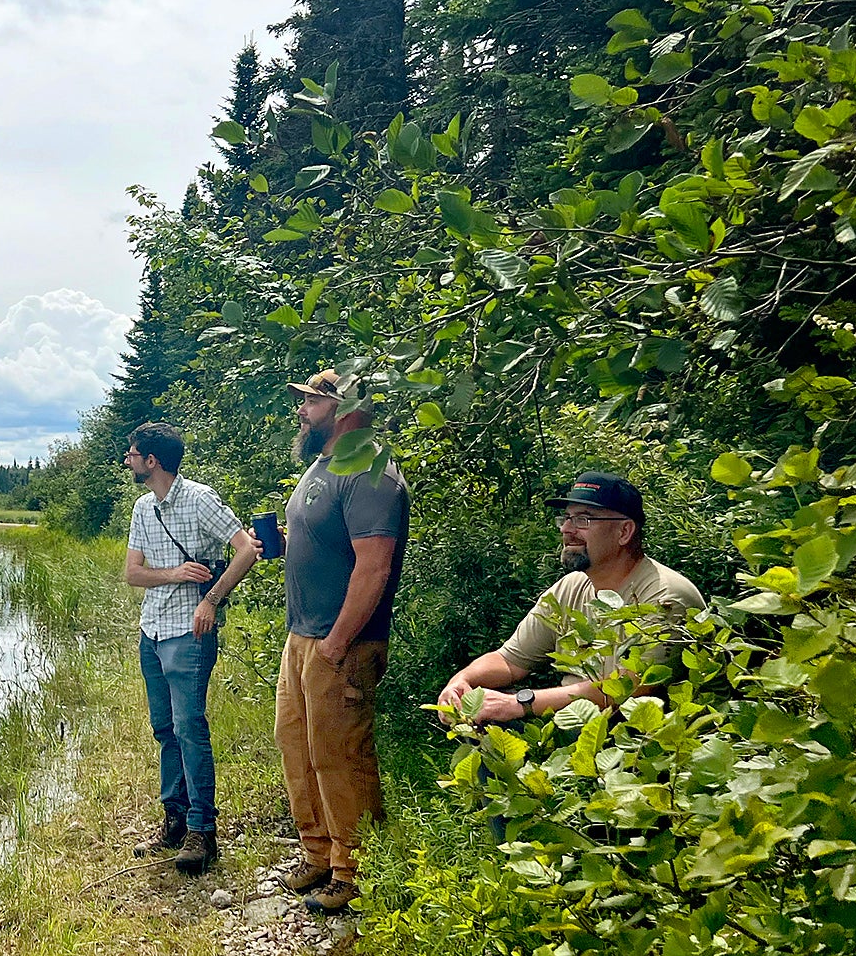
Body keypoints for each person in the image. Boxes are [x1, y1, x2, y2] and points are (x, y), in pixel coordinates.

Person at [276, 371, 410, 915]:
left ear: (344, 407)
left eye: (311, 400)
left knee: (340, 754)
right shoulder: (321, 466)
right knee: (297, 744)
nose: (303, 410)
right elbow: (329, 542)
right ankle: (319, 852)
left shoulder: (372, 471)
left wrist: (336, 643)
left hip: (343, 642)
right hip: (302, 635)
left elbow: (374, 566)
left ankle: (356, 869)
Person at [438, 471, 704, 723]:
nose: (566, 528)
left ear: (624, 532)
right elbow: (509, 661)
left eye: (583, 519)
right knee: (484, 719)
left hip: (648, 745)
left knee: (500, 715)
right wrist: (462, 681)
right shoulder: (571, 588)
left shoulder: (665, 596)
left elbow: (628, 689)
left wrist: (520, 704)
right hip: (581, 730)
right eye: (566, 518)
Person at [123, 422, 260, 876]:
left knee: (189, 728)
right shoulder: (144, 507)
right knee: (164, 729)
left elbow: (246, 549)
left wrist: (210, 599)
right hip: (153, 631)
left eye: (133, 453)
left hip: (190, 632)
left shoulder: (200, 499)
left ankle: (203, 831)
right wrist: (175, 574)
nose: (128, 459)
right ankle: (176, 821)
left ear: (152, 461)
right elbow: (133, 574)